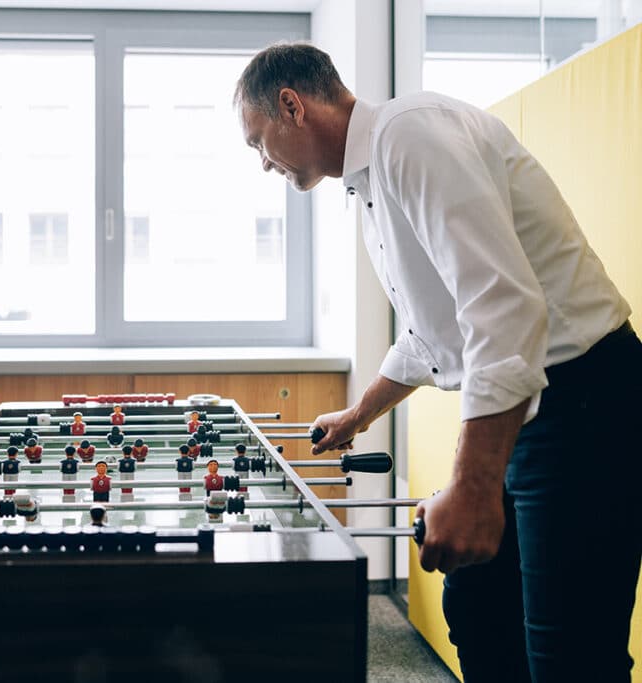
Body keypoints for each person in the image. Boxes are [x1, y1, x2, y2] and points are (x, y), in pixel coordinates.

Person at [235, 42, 641, 682]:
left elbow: (502, 308)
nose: (263, 164)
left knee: (569, 653)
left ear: (291, 106)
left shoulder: (409, 136)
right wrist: (359, 414)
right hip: (527, 399)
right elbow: (433, 332)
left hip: (584, 397)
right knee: (480, 611)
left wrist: (475, 485)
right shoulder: (369, 180)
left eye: (259, 142)